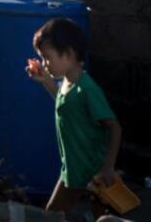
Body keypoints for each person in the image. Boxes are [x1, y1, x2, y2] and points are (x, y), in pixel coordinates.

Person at [27, 18, 122, 216]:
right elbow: (65, 106)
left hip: (93, 173)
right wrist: (45, 80)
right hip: (72, 170)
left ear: (68, 54)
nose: (45, 64)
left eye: (47, 58)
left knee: (100, 218)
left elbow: (113, 126)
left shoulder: (87, 89)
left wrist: (108, 167)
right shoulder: (66, 84)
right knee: (53, 214)